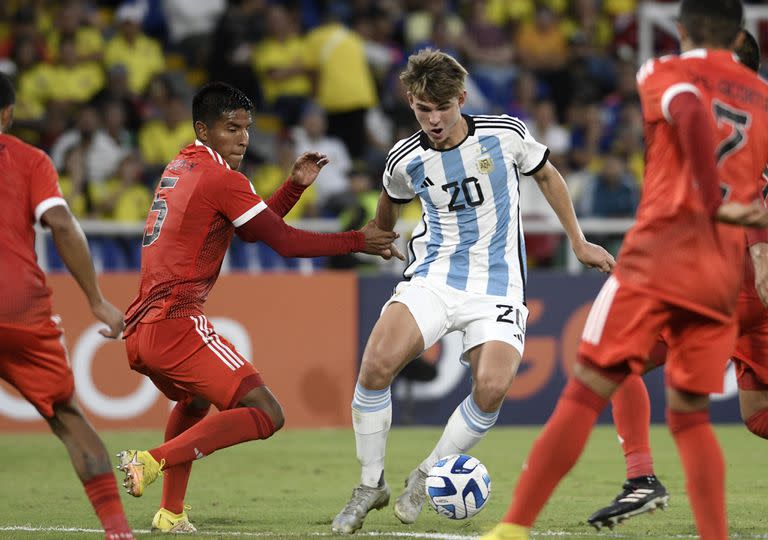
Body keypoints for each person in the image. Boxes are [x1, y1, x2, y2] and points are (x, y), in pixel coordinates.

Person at [481, 2, 768, 539]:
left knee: (588, 385)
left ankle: (514, 528)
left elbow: (685, 110)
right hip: (723, 272)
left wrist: (708, 196)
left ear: (681, 30)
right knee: (691, 415)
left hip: (663, 256)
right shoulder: (763, 101)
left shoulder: (663, 71)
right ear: (739, 32)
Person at [331, 48, 616, 535]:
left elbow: (546, 174)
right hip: (435, 276)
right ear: (411, 103)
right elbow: (390, 198)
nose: (434, 119)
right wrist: (380, 236)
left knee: (492, 386)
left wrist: (578, 239)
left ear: (461, 98)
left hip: (499, 285)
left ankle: (426, 473)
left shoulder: (504, 134)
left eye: (442, 107)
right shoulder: (406, 157)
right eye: (423, 109)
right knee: (376, 364)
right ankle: (369, 484)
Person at [115, 81, 398, 534]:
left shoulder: (182, 165)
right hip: (177, 318)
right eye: (231, 128)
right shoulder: (222, 177)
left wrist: (292, 188)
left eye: (246, 128)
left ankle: (170, 514)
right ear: (203, 129)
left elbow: (248, 230)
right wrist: (357, 241)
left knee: (194, 402)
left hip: (143, 327)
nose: (243, 138)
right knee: (268, 413)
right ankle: (151, 461)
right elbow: (281, 242)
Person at [587, 27, 768, 531]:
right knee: (757, 414)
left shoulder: (695, 108)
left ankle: (642, 477)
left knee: (615, 360)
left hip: (706, 276)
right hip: (747, 283)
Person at [0, 73, 134, 540]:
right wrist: (96, 300)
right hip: (18, 305)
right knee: (68, 419)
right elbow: (59, 221)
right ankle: (118, 531)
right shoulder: (29, 159)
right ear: (8, 114)